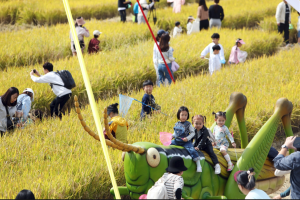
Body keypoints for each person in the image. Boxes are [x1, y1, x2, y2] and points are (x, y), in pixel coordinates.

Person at [171, 106, 202, 172]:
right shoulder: (177, 124)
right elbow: (175, 133)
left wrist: (187, 138)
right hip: (177, 141)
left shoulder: (188, 124)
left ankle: (198, 165)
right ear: (179, 115)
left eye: (185, 115)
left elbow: (193, 133)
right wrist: (172, 136)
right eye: (182, 115)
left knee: (192, 150)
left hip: (185, 142)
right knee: (168, 144)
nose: (184, 117)